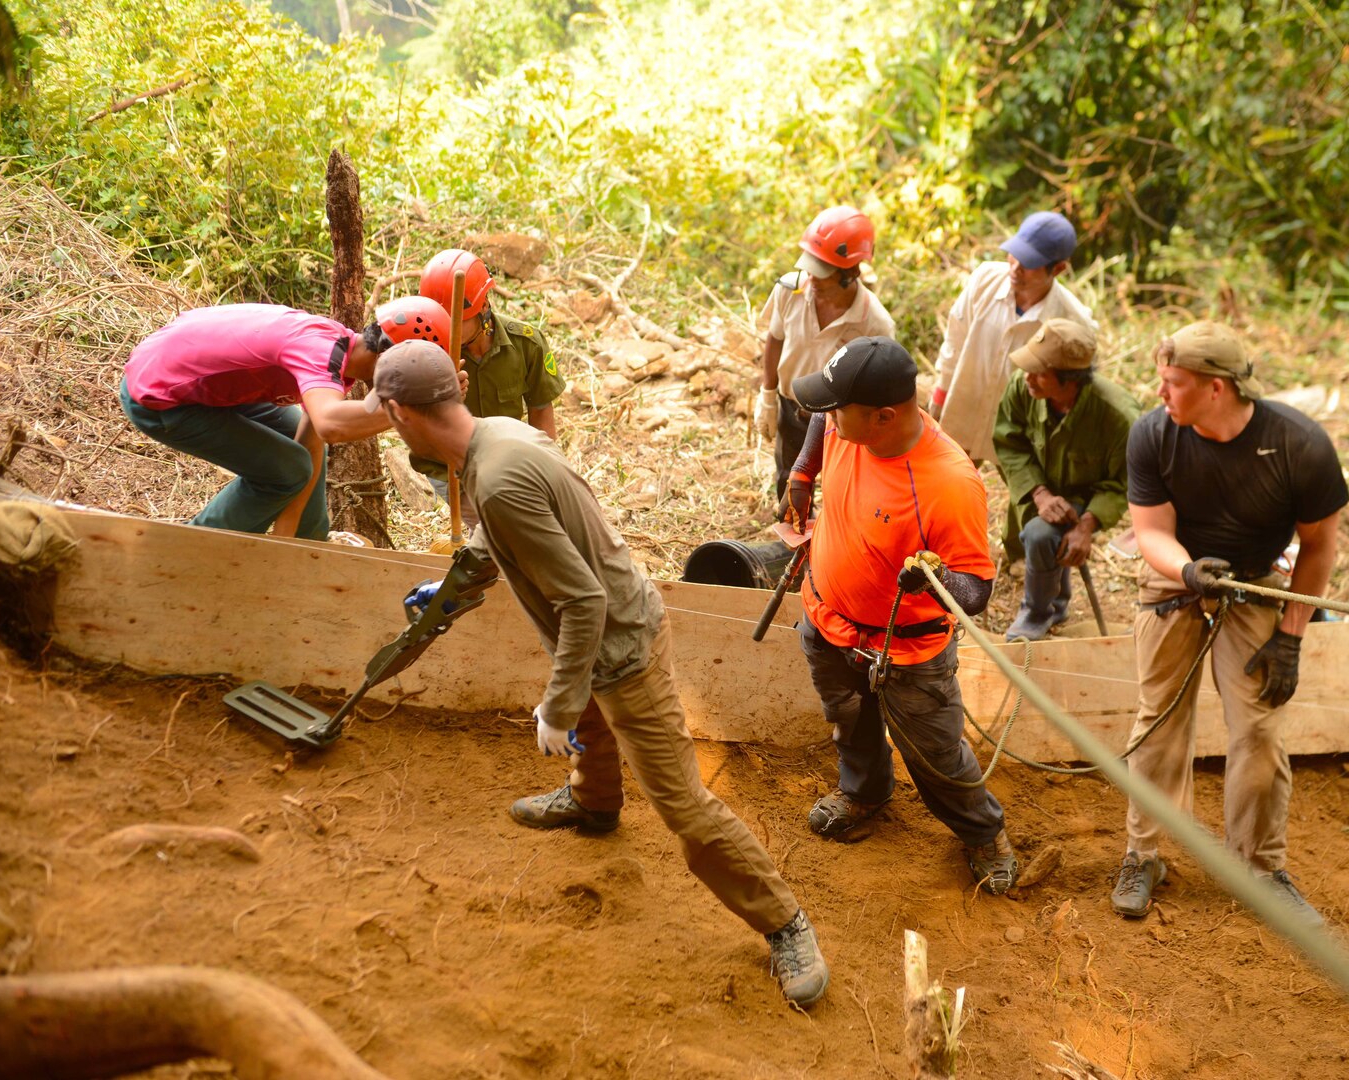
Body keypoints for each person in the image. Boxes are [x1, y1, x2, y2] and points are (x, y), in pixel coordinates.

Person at [370, 341, 830, 1008]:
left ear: (394, 412)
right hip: (603, 627)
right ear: (456, 388)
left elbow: (581, 600)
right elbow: (520, 534)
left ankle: (786, 923)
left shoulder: (494, 480)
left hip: (618, 645)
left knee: (683, 806)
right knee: (591, 718)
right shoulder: (498, 435)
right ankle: (593, 800)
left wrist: (555, 704)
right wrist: (458, 577)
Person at [1110, 321, 1347, 926]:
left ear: (1217, 388)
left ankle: (1261, 869)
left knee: (1260, 728)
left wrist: (1291, 637)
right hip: (1178, 576)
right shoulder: (1154, 434)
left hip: (1253, 580)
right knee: (1159, 717)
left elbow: (1319, 547)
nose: (1161, 394)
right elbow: (1151, 532)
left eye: (1174, 383)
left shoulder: (1300, 445)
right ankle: (1145, 855)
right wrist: (1189, 572)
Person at [783, 335, 1018, 895]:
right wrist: (801, 471)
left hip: (906, 652)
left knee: (935, 753)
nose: (828, 419)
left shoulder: (949, 483)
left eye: (838, 408)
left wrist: (935, 581)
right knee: (850, 724)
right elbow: (820, 421)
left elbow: (976, 590)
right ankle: (864, 793)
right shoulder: (846, 424)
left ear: (884, 415)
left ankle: (983, 833)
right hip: (828, 618)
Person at [119, 298, 453, 541]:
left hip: (196, 379)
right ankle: (194, 548)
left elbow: (313, 435)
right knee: (287, 471)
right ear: (389, 357)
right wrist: (411, 412)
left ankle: (309, 548)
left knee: (299, 446)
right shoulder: (319, 353)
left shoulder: (339, 348)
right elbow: (331, 425)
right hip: (160, 395)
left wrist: (289, 540)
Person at [992, 319, 1139, 641]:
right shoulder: (1023, 386)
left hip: (1088, 496)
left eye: (1039, 372)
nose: (1027, 377)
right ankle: (1053, 604)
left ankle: (1038, 612)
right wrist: (1040, 494)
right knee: (1038, 535)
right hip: (1040, 482)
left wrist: (1086, 525)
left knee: (1042, 536)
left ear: (1071, 379)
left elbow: (1125, 483)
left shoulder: (1117, 416)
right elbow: (1008, 442)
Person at [930, 211, 1097, 464]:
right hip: (966, 407)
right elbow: (956, 338)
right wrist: (941, 392)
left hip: (1019, 432)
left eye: (1028, 263)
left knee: (1025, 493)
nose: (1016, 269)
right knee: (949, 482)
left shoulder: (1071, 322)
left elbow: (1072, 390)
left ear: (1059, 268)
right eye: (1014, 256)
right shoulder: (985, 280)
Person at [755, 206, 896, 498]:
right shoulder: (788, 292)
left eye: (822, 273)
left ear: (850, 272)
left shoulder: (875, 323)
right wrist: (767, 396)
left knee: (839, 489)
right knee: (788, 478)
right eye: (810, 268)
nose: (812, 278)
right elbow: (775, 338)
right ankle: (791, 537)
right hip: (792, 407)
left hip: (842, 423)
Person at [417, 248, 566, 499]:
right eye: (439, 320)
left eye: (455, 321)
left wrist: (548, 471)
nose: (445, 330)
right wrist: (443, 395)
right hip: (449, 466)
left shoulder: (526, 344)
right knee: (489, 523)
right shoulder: (427, 348)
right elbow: (414, 419)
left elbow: (541, 410)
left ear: (483, 306)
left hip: (506, 460)